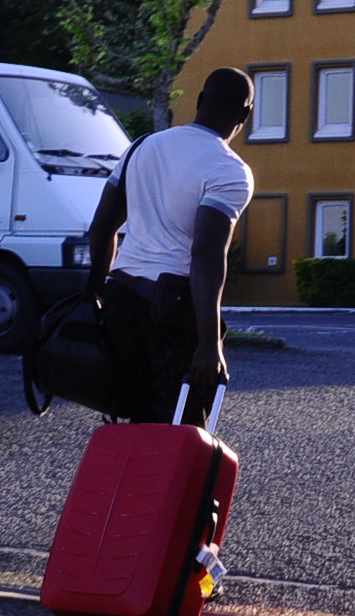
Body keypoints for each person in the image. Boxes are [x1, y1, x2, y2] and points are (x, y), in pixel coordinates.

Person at [82, 68, 256, 425]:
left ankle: (133, 483)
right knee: (181, 428)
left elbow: (101, 229)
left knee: (134, 421)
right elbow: (206, 254)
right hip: (173, 311)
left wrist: (97, 295)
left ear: (199, 101)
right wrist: (209, 343)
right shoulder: (229, 170)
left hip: (121, 301)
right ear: (244, 115)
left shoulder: (142, 147)